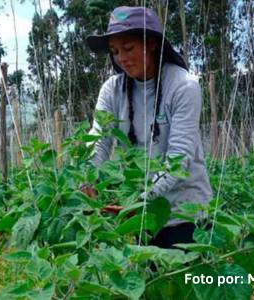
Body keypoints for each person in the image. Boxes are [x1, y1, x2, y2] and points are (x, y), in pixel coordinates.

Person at [82, 6, 213, 249]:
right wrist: (86, 182)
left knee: (188, 282)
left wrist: (139, 200)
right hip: (142, 215)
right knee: (151, 282)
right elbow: (98, 141)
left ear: (151, 43)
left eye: (128, 48)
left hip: (186, 213)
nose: (121, 58)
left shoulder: (183, 87)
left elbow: (178, 158)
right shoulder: (112, 90)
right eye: (114, 51)